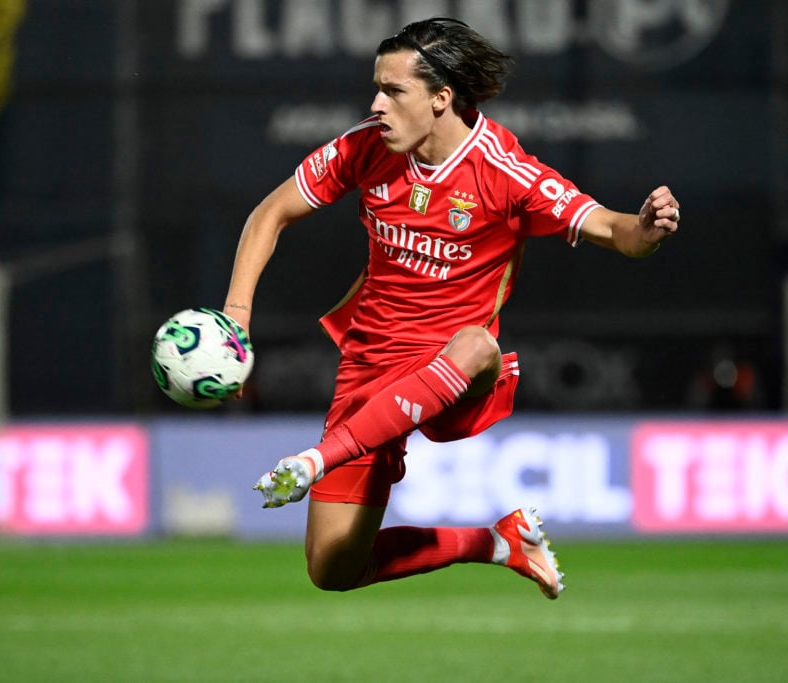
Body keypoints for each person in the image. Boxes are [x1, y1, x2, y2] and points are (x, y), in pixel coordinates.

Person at [222, 18, 680, 599]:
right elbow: (270, 213)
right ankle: (498, 543)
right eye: (376, 87)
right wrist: (236, 317)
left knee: (477, 344)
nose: (376, 104)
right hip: (370, 369)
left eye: (393, 91)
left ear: (441, 99)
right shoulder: (365, 147)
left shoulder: (505, 172)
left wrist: (646, 227)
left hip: (458, 376)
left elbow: (615, 231)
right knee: (332, 570)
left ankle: (315, 459)